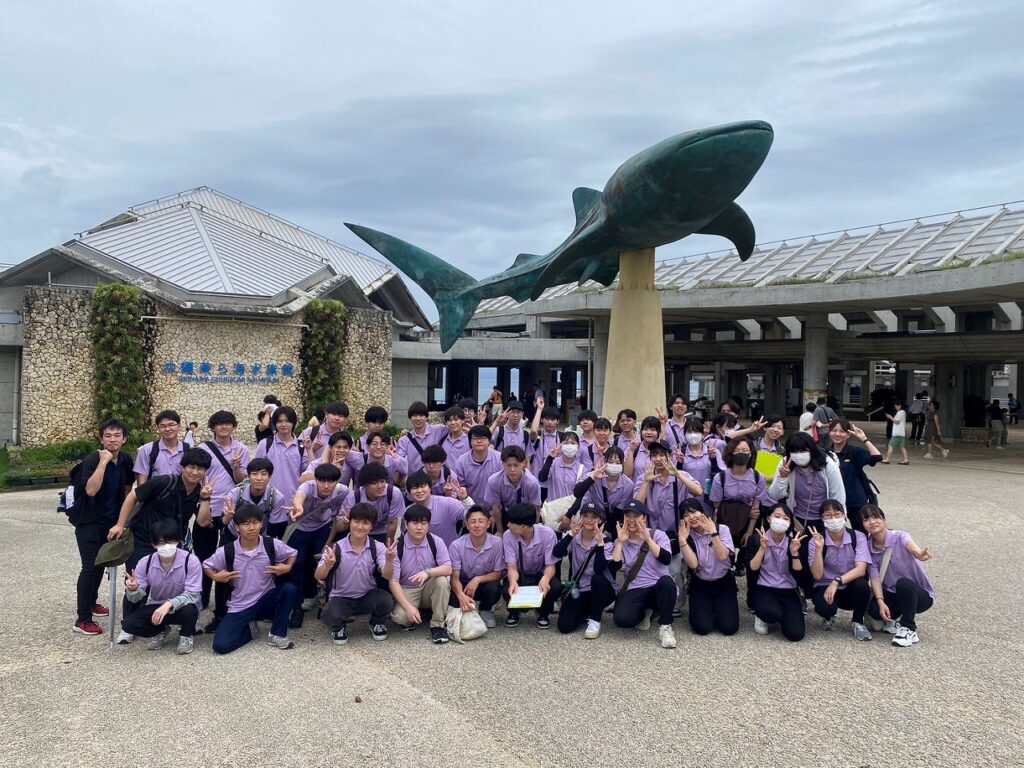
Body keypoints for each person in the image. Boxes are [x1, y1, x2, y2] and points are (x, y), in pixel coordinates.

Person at [107, 448, 213, 643]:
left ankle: (180, 618)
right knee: (135, 580)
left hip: (174, 543)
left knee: (178, 580)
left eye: (200, 469)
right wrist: (120, 525)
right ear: (182, 467)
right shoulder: (163, 482)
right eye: (191, 467)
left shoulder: (200, 492)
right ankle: (128, 624)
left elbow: (203, 521)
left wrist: (206, 498)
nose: (195, 472)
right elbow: (133, 496)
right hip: (144, 539)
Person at [202, 503, 298, 653]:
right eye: (246, 524)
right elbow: (206, 565)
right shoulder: (228, 550)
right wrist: (215, 576)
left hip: (266, 599)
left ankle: (277, 634)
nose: (252, 528)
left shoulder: (270, 544)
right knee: (220, 646)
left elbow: (292, 553)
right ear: (237, 527)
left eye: (255, 522)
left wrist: (288, 566)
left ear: (261, 524)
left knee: (289, 589)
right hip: (240, 605)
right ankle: (251, 630)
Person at [69, 419, 135, 636]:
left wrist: (122, 520)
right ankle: (82, 619)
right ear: (101, 439)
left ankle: (92, 603)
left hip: (110, 523)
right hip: (88, 523)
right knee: (90, 567)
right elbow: (91, 490)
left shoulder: (126, 460)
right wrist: (103, 462)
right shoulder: (92, 460)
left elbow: (127, 490)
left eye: (117, 436)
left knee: (102, 564)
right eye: (108, 436)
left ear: (124, 439)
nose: (112, 440)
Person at [196, 411, 250, 632]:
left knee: (227, 556)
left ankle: (225, 602)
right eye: (219, 424)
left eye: (228, 423)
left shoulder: (241, 449)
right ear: (213, 427)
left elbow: (243, 481)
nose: (224, 427)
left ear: (234, 426)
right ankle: (201, 597)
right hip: (208, 508)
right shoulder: (203, 449)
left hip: (231, 511)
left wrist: (236, 467)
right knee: (204, 555)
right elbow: (195, 475)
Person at [316, 502, 395, 645]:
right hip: (341, 597)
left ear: (372, 526)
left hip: (367, 596)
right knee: (328, 614)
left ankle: (376, 623)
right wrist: (327, 565)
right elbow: (318, 576)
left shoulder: (377, 547)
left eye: (365, 523)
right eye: (356, 521)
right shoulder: (336, 548)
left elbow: (387, 575)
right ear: (350, 522)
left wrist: (389, 561)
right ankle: (339, 628)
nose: (360, 526)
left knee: (386, 601)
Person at [860, 504, 936, 648]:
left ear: (884, 520)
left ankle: (909, 628)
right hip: (892, 594)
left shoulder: (900, 536)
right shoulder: (869, 548)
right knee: (874, 611)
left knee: (903, 584)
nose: (872, 521)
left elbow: (912, 547)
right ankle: (896, 619)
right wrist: (881, 602)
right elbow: (875, 578)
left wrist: (919, 554)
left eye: (876, 517)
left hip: (917, 594)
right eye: (866, 519)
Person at [121, 519, 201, 654]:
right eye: (162, 543)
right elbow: (135, 598)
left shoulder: (191, 561)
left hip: (182, 606)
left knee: (189, 611)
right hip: (157, 605)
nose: (167, 546)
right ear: (154, 544)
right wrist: (133, 589)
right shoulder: (145, 563)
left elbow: (193, 594)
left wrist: (169, 604)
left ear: (178, 541)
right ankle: (161, 629)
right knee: (129, 624)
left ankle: (186, 635)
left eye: (171, 541)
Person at [607, 499, 678, 649]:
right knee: (621, 619)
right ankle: (646, 613)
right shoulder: (622, 538)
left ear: (644, 518)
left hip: (658, 585)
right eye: (628, 516)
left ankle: (665, 627)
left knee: (667, 582)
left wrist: (648, 539)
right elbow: (614, 566)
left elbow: (666, 559)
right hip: (636, 587)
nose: (631, 520)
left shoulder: (658, 535)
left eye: (636, 516)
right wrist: (620, 542)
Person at [287, 463, 350, 627]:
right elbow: (299, 496)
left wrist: (329, 541)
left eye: (331, 481)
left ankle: (325, 602)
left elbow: (337, 517)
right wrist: (298, 506)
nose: (326, 486)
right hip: (300, 527)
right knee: (296, 566)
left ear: (337, 481)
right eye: (322, 481)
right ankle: (296, 607)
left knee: (326, 563)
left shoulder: (342, 491)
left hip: (322, 527)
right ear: (316, 480)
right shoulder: (307, 486)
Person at [808, 499, 873, 641]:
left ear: (844, 515)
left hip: (849, 584)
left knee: (862, 586)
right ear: (822, 518)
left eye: (837, 514)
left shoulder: (858, 536)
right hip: (824, 585)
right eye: (828, 515)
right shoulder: (815, 540)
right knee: (824, 609)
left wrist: (836, 582)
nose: (833, 519)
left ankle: (858, 622)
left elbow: (861, 569)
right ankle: (828, 616)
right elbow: (817, 575)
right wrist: (819, 549)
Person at [388, 504, 453, 644]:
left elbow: (448, 568)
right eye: (415, 523)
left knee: (442, 580)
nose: (419, 527)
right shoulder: (398, 546)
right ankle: (417, 612)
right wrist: (408, 608)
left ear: (428, 525)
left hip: (429, 587)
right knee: (401, 618)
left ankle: (438, 626)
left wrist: (427, 572)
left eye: (424, 523)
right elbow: (393, 582)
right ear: (406, 524)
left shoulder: (436, 541)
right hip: (408, 589)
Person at [746, 502, 805, 641]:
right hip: (764, 587)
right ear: (769, 518)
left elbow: (799, 573)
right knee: (771, 613)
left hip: (787, 589)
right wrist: (762, 549)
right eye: (777, 516)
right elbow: (752, 568)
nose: (781, 521)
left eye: (786, 518)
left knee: (796, 634)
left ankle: (784, 615)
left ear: (790, 522)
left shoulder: (793, 543)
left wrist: (794, 553)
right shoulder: (756, 540)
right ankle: (762, 615)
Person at [553, 503, 613, 638]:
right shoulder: (575, 537)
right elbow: (557, 553)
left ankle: (595, 620)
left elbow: (599, 569)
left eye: (594, 517)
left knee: (598, 579)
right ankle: (586, 610)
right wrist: (571, 534)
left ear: (600, 520)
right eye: (585, 516)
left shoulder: (607, 542)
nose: (589, 520)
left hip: (600, 590)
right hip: (579, 589)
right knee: (564, 626)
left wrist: (600, 544)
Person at [680, 499, 739, 637]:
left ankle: (718, 609)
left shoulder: (721, 529)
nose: (691, 517)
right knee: (702, 628)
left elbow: (723, 556)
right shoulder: (687, 537)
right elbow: (693, 565)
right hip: (700, 584)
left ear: (703, 512)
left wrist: (713, 533)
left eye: (694, 512)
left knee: (729, 628)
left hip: (724, 582)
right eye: (686, 515)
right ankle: (709, 609)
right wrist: (682, 541)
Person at [709, 437, 767, 573]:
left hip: (748, 523)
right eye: (738, 450)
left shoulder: (758, 477)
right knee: (725, 557)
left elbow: (755, 509)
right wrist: (745, 511)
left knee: (747, 553)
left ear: (751, 453)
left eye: (745, 450)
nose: (742, 453)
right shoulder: (720, 478)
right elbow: (717, 505)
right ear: (731, 453)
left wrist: (749, 532)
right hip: (726, 521)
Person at [502, 502, 563, 628]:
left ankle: (543, 613)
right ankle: (514, 612)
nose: (508, 525)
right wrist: (512, 581)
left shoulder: (548, 534)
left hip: (540, 573)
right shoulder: (508, 536)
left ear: (524, 526)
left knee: (555, 586)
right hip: (520, 574)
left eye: (511, 523)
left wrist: (545, 579)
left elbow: (550, 566)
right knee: (507, 588)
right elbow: (512, 567)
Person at [767, 432, 845, 530]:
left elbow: (838, 495)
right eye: (794, 452)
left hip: (825, 518)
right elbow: (775, 495)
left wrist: (837, 521)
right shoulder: (785, 464)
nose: (798, 455)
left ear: (812, 449)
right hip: (798, 517)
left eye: (803, 451)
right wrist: (782, 478)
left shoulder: (828, 465)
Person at [448, 505, 505, 628]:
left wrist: (477, 579)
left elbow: (499, 574)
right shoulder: (456, 545)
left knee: (494, 588)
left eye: (481, 521)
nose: (477, 525)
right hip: (463, 584)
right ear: (467, 525)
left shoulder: (497, 543)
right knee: (452, 595)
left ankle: (485, 609)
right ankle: (464, 607)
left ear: (488, 524)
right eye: (473, 522)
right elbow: (454, 578)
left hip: (484, 583)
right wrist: (461, 595)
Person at [255, 405, 308, 535]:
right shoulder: (265, 444)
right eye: (279, 421)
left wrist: (311, 450)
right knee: (268, 542)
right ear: (274, 424)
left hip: (292, 504)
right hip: (268, 505)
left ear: (293, 423)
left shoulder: (301, 447)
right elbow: (256, 472)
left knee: (288, 542)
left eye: (287, 421)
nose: (283, 424)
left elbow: (308, 475)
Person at [828, 420, 882, 527]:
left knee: (861, 532)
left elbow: (877, 457)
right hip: (833, 501)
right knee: (835, 531)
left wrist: (864, 439)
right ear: (829, 432)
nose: (837, 434)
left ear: (848, 434)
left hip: (855, 501)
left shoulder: (854, 452)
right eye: (834, 430)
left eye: (842, 431)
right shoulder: (826, 453)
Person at [336, 463, 405, 543]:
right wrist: (346, 520)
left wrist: (388, 544)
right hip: (358, 530)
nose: (380, 486)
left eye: (382, 481)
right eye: (374, 483)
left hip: (381, 532)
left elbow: (392, 522)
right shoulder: (353, 497)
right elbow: (338, 528)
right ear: (364, 485)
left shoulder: (393, 493)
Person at [406, 471, 472, 546]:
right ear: (409, 492)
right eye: (415, 488)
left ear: (430, 488)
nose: (419, 491)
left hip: (448, 552)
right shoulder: (407, 512)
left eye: (422, 486)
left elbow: (473, 514)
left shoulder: (447, 503)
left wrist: (465, 499)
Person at [485, 445, 542, 532]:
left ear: (524, 463)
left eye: (516, 465)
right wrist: (500, 531)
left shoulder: (532, 483)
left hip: (526, 516)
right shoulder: (494, 481)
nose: (512, 470)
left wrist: (534, 531)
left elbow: (536, 508)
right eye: (508, 465)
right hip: (505, 514)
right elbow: (496, 507)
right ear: (503, 464)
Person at [452, 425, 503, 506]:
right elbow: (460, 487)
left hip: (496, 506)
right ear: (470, 441)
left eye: (483, 438)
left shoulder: (499, 458)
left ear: (489, 441)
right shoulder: (461, 461)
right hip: (471, 507)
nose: (479, 441)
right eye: (475, 438)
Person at [537, 431, 586, 515]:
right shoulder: (553, 463)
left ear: (578, 446)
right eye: (566, 443)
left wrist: (570, 514)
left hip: (571, 512)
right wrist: (550, 458)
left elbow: (581, 495)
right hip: (552, 511)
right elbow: (542, 478)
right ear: (561, 446)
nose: (569, 446)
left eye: (573, 443)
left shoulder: (581, 468)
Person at [133, 410, 185, 486]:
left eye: (171, 425)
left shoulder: (188, 450)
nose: (167, 429)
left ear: (179, 426)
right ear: (158, 428)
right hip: (154, 493)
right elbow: (141, 483)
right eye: (163, 426)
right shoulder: (147, 450)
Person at [398, 401, 447, 476]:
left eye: (421, 415)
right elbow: (400, 462)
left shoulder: (439, 430)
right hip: (415, 480)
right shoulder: (404, 440)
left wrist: (466, 430)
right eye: (414, 416)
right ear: (410, 417)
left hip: (435, 479)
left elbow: (455, 429)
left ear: (426, 417)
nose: (418, 419)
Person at [529, 398, 562, 501]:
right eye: (546, 419)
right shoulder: (538, 435)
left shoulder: (562, 437)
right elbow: (533, 431)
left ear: (558, 421)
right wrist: (539, 409)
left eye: (553, 419)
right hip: (537, 481)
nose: (549, 422)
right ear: (542, 420)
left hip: (555, 483)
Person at [622, 416, 663, 481]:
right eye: (645, 429)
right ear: (641, 432)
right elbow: (627, 474)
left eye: (653, 430)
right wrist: (631, 451)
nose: (649, 432)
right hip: (637, 487)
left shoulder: (664, 451)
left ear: (659, 433)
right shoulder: (632, 449)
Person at [882, 400, 909, 465]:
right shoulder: (903, 412)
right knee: (902, 447)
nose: (895, 408)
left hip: (897, 433)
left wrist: (890, 417)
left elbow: (897, 422)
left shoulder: (900, 413)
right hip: (901, 432)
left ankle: (888, 459)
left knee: (890, 445)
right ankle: (906, 459)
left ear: (899, 406)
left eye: (896, 406)